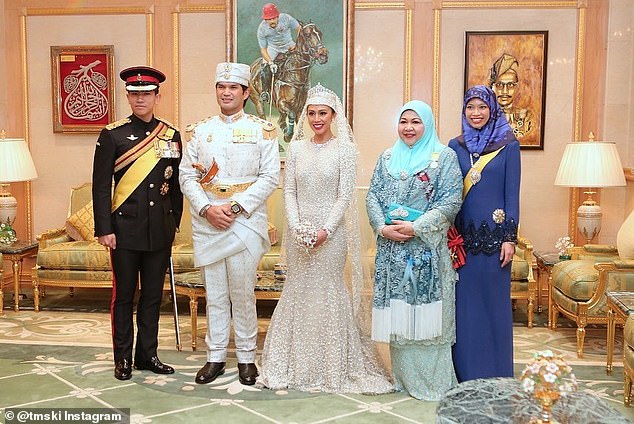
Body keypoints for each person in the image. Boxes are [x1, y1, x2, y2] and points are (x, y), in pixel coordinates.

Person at [258, 84, 392, 393]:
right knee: (298, 291)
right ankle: (293, 365)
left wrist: (325, 231)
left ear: (333, 116)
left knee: (328, 291)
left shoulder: (345, 149)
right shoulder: (295, 148)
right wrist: (295, 227)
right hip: (299, 235)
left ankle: (332, 368)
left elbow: (344, 196)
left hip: (331, 238)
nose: (317, 119)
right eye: (312, 113)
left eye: (323, 113)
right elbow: (288, 190)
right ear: (305, 115)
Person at [179, 62, 280, 386]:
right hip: (209, 222)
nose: (226, 92)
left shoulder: (261, 130)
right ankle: (216, 357)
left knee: (242, 293)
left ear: (245, 93)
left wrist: (235, 206)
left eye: (233, 87)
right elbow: (186, 176)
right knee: (216, 294)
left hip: (244, 222)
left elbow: (269, 177)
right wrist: (207, 208)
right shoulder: (199, 131)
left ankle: (248, 358)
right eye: (221, 87)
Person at [366, 100, 463, 400]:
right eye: (404, 121)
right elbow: (372, 196)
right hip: (392, 252)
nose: (409, 127)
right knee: (400, 317)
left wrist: (416, 227)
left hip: (426, 253)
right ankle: (404, 379)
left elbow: (450, 202)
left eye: (416, 122)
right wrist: (383, 228)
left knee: (429, 319)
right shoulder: (386, 158)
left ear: (428, 124)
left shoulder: (444, 158)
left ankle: (433, 384)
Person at [92, 65, 183, 381]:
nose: (139, 99)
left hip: (159, 230)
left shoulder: (170, 134)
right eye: (134, 94)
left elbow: (176, 185)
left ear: (157, 96)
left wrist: (175, 224)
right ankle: (123, 359)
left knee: (153, 297)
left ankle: (147, 355)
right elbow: (101, 185)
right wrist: (104, 228)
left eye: (146, 94)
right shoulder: (112, 134)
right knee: (124, 297)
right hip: (124, 231)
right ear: (128, 96)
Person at [448, 85, 521, 382]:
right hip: (462, 242)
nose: (475, 113)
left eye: (481, 107)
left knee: (493, 308)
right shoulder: (455, 145)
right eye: (470, 107)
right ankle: (464, 372)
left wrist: (509, 238)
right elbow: (450, 192)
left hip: (494, 242)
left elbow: (512, 195)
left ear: (492, 109)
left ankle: (497, 373)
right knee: (464, 310)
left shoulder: (509, 145)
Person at [257, 2, 300, 103]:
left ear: (277, 16)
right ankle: (265, 92)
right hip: (273, 48)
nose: (271, 21)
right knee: (264, 65)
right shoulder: (262, 29)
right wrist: (271, 63)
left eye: (273, 18)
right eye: (268, 19)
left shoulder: (286, 18)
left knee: (300, 59)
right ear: (265, 19)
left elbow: (299, 28)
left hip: (289, 44)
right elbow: (263, 50)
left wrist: (296, 44)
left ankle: (304, 86)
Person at [488, 52, 535, 139]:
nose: (505, 91)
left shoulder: (526, 117)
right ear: (492, 87)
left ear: (516, 87)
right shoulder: (483, 118)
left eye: (510, 85)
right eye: (499, 85)